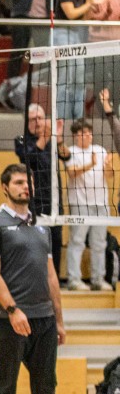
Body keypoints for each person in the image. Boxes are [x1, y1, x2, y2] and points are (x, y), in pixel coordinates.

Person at [0, 164, 77, 394]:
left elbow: (51, 275)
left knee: (46, 384)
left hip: (44, 318)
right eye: (19, 182)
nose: (26, 187)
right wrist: (12, 310)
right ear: (5, 187)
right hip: (11, 318)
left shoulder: (40, 224)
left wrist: (59, 319)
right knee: (5, 383)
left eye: (28, 182)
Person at [14, 103, 68, 269]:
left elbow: (66, 156)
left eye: (40, 118)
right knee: (34, 243)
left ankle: (55, 282)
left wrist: (58, 139)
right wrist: (45, 137)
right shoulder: (21, 139)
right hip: (33, 202)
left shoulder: (52, 139)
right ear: (26, 122)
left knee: (55, 242)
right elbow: (28, 159)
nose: (37, 122)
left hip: (54, 201)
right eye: (32, 119)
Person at [63, 119, 111, 290]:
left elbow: (109, 176)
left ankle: (98, 279)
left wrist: (108, 166)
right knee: (77, 241)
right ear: (75, 136)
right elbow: (72, 173)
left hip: (101, 203)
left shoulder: (100, 150)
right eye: (83, 133)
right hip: (80, 203)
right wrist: (91, 163)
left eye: (90, 133)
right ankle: (74, 280)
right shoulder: (70, 151)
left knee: (100, 243)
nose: (88, 136)